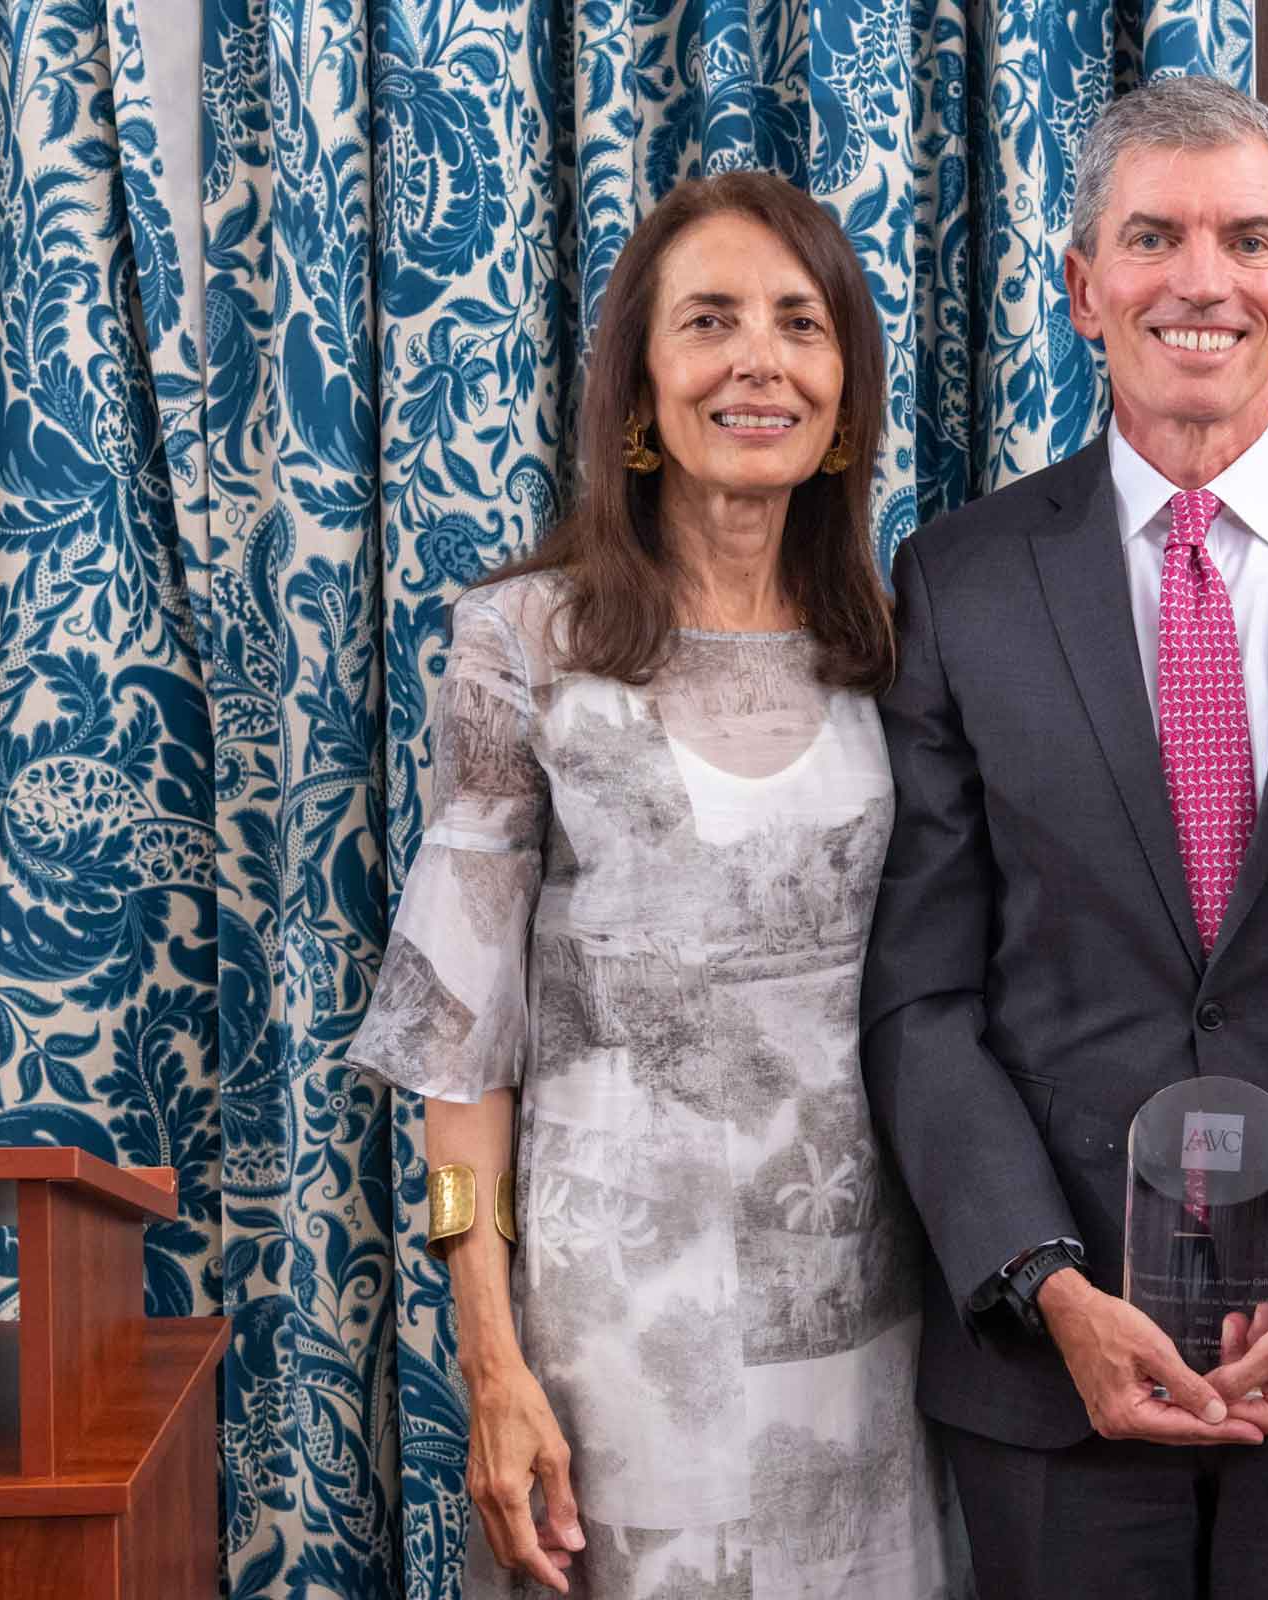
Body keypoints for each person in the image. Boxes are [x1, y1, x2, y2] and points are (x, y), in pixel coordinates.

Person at [861, 75, 1268, 1599]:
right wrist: (1044, 1284)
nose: (1200, 280)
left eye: (1246, 240)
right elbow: (922, 990)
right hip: (1051, 1377)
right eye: (1152, 238)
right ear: (1084, 289)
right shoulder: (958, 580)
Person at [349, 171, 951, 1599]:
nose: (759, 359)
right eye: (709, 321)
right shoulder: (525, 645)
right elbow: (459, 1044)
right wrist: (489, 1357)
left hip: (872, 1341)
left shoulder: (901, 649)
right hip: (619, 1351)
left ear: (846, 391)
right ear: (641, 384)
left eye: (801, 324)